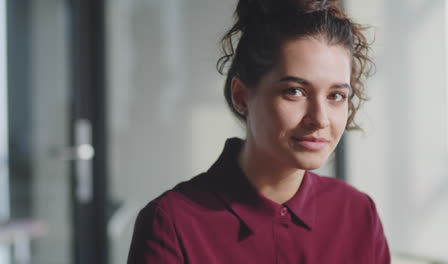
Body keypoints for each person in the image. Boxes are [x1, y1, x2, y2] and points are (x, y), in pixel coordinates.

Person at [127, 0, 390, 263]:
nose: (320, 119)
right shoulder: (171, 224)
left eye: (336, 95)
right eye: (294, 91)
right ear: (241, 96)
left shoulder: (358, 214)